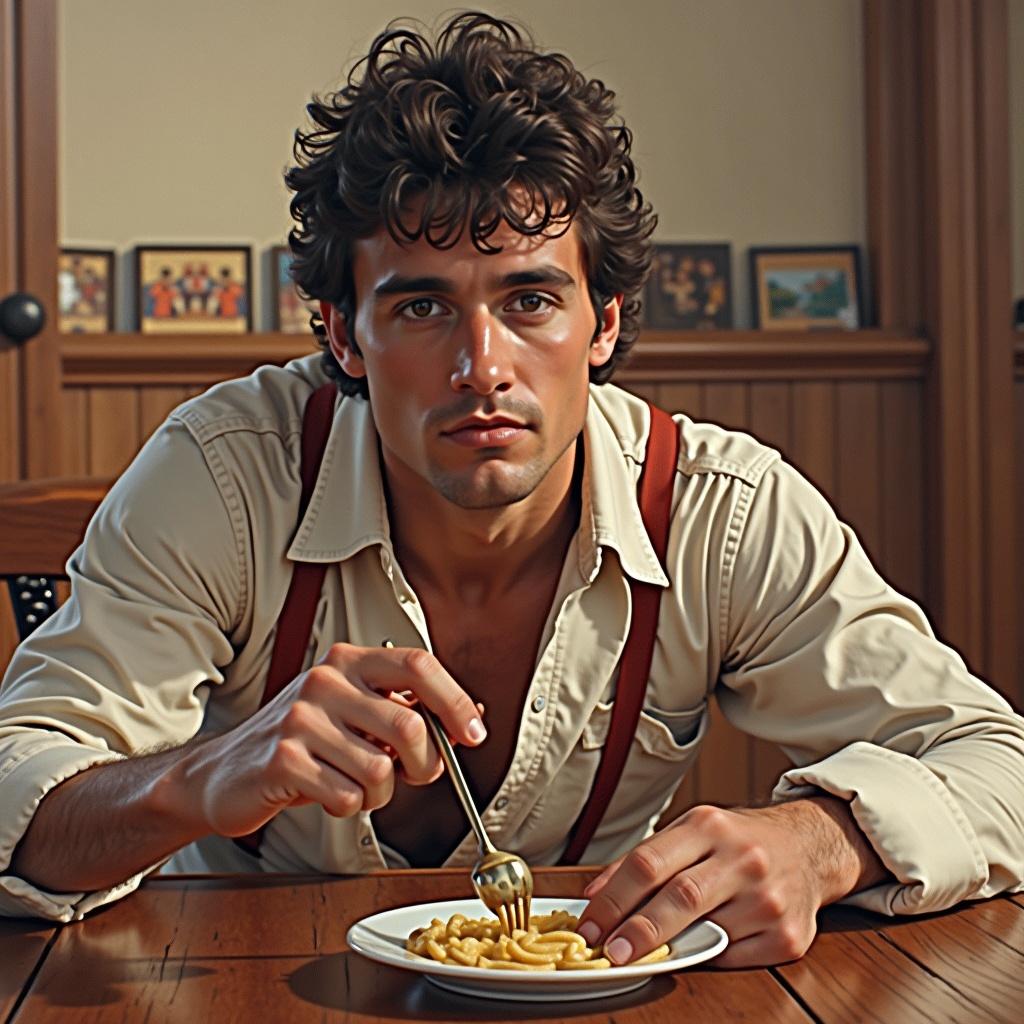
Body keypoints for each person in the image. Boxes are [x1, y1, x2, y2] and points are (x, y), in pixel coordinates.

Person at [1, 13, 1022, 969]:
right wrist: (196, 777)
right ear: (341, 332)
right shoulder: (224, 474)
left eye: (530, 298)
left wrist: (825, 838)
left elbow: (996, 762)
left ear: (605, 322)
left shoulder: (722, 510)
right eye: (421, 306)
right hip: (221, 980)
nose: (480, 365)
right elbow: (19, 785)